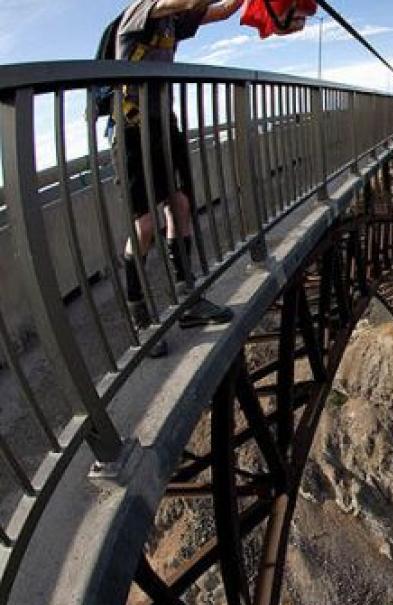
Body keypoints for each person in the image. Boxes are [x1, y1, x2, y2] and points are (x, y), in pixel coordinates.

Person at [111, 0, 254, 355]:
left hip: (164, 126)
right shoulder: (142, 11)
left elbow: (223, 10)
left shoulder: (172, 21)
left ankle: (187, 299)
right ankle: (138, 313)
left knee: (181, 206)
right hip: (132, 130)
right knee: (145, 225)